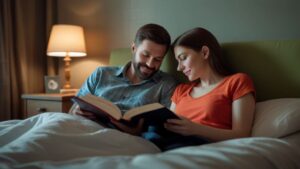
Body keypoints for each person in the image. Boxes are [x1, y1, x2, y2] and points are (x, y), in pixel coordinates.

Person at [149, 27, 256, 151]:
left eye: (183, 58)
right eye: (177, 61)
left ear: (205, 52)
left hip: (202, 147)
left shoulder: (237, 82)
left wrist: (196, 129)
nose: (179, 68)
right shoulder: (180, 90)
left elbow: (242, 135)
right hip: (170, 144)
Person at [69, 23, 178, 134]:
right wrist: (76, 111)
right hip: (83, 129)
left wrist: (136, 132)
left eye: (158, 59)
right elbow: (72, 111)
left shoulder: (166, 84)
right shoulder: (101, 74)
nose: (150, 64)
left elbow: (165, 130)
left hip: (124, 139)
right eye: (145, 55)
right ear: (133, 48)